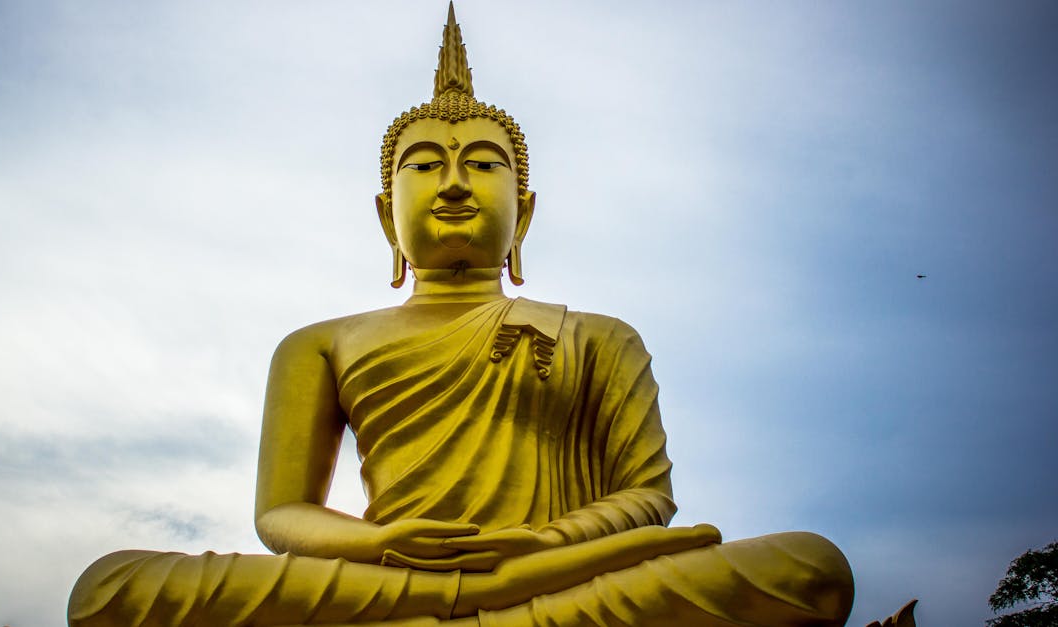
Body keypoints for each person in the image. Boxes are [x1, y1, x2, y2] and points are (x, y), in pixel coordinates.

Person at [68, 6, 855, 626]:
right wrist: (380, 545)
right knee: (110, 588)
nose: (453, 184)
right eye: (425, 165)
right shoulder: (320, 344)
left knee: (807, 567)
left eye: (483, 164)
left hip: (551, 572)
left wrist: (544, 545)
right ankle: (483, 604)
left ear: (527, 212)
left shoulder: (599, 337)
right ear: (387, 216)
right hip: (401, 580)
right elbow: (281, 513)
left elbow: (646, 499)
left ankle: (478, 601)